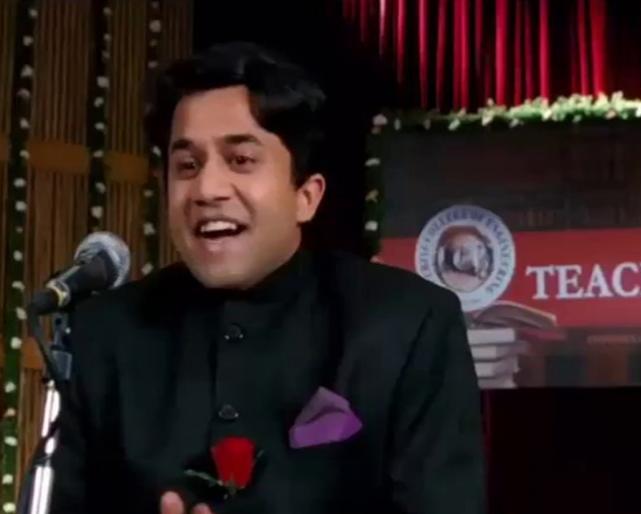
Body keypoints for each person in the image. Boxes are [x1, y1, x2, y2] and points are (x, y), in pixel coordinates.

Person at [50, 42, 485, 514]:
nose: (207, 189)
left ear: (306, 196)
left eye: (241, 160)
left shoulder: (408, 324)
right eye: (187, 166)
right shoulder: (104, 333)